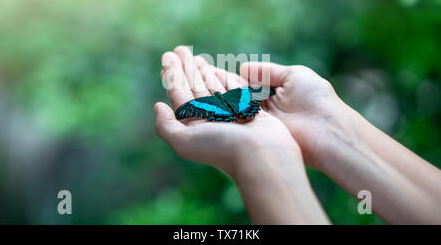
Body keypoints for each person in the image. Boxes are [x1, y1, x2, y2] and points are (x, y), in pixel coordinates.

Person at [155, 46, 441, 224]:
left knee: (212, 107)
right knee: (239, 105)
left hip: (228, 109)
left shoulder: (230, 97)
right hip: (244, 105)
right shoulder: (246, 93)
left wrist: (258, 158)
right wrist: (332, 130)